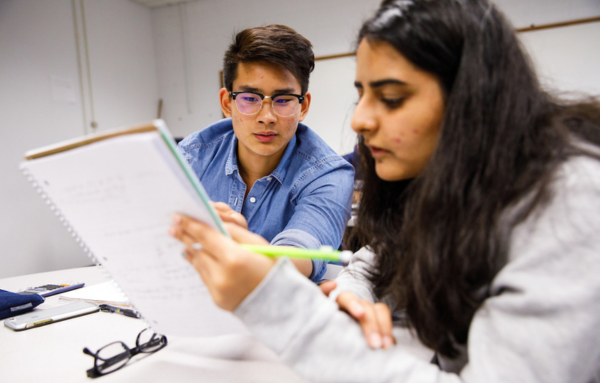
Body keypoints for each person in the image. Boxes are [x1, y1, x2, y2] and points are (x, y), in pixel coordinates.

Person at [169, 0, 600, 381]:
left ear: (473, 102)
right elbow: (370, 263)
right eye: (362, 94)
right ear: (228, 102)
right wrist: (352, 301)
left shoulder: (573, 201)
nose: (359, 119)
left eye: (390, 97)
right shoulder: (439, 181)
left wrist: (273, 301)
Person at [177, 25, 354, 282]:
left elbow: (298, 254)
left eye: (283, 100)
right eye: (250, 98)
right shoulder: (192, 157)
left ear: (303, 106)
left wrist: (235, 244)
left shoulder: (329, 175)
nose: (267, 117)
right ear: (228, 103)